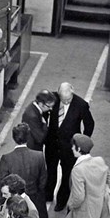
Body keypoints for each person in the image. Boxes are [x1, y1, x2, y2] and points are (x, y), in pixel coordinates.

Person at [45, 82, 95, 211]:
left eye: (68, 99)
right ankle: (48, 195)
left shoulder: (81, 105)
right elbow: (44, 112)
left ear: (72, 92)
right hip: (52, 144)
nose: (65, 102)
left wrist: (81, 142)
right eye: (63, 99)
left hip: (69, 147)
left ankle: (61, 201)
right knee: (50, 170)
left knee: (67, 174)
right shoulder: (52, 98)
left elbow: (89, 124)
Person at [0, 123, 52, 218]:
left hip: (14, 202)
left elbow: (1, 181)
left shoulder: (7, 158)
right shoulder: (39, 156)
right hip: (33, 198)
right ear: (28, 137)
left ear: (14, 138)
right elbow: (43, 180)